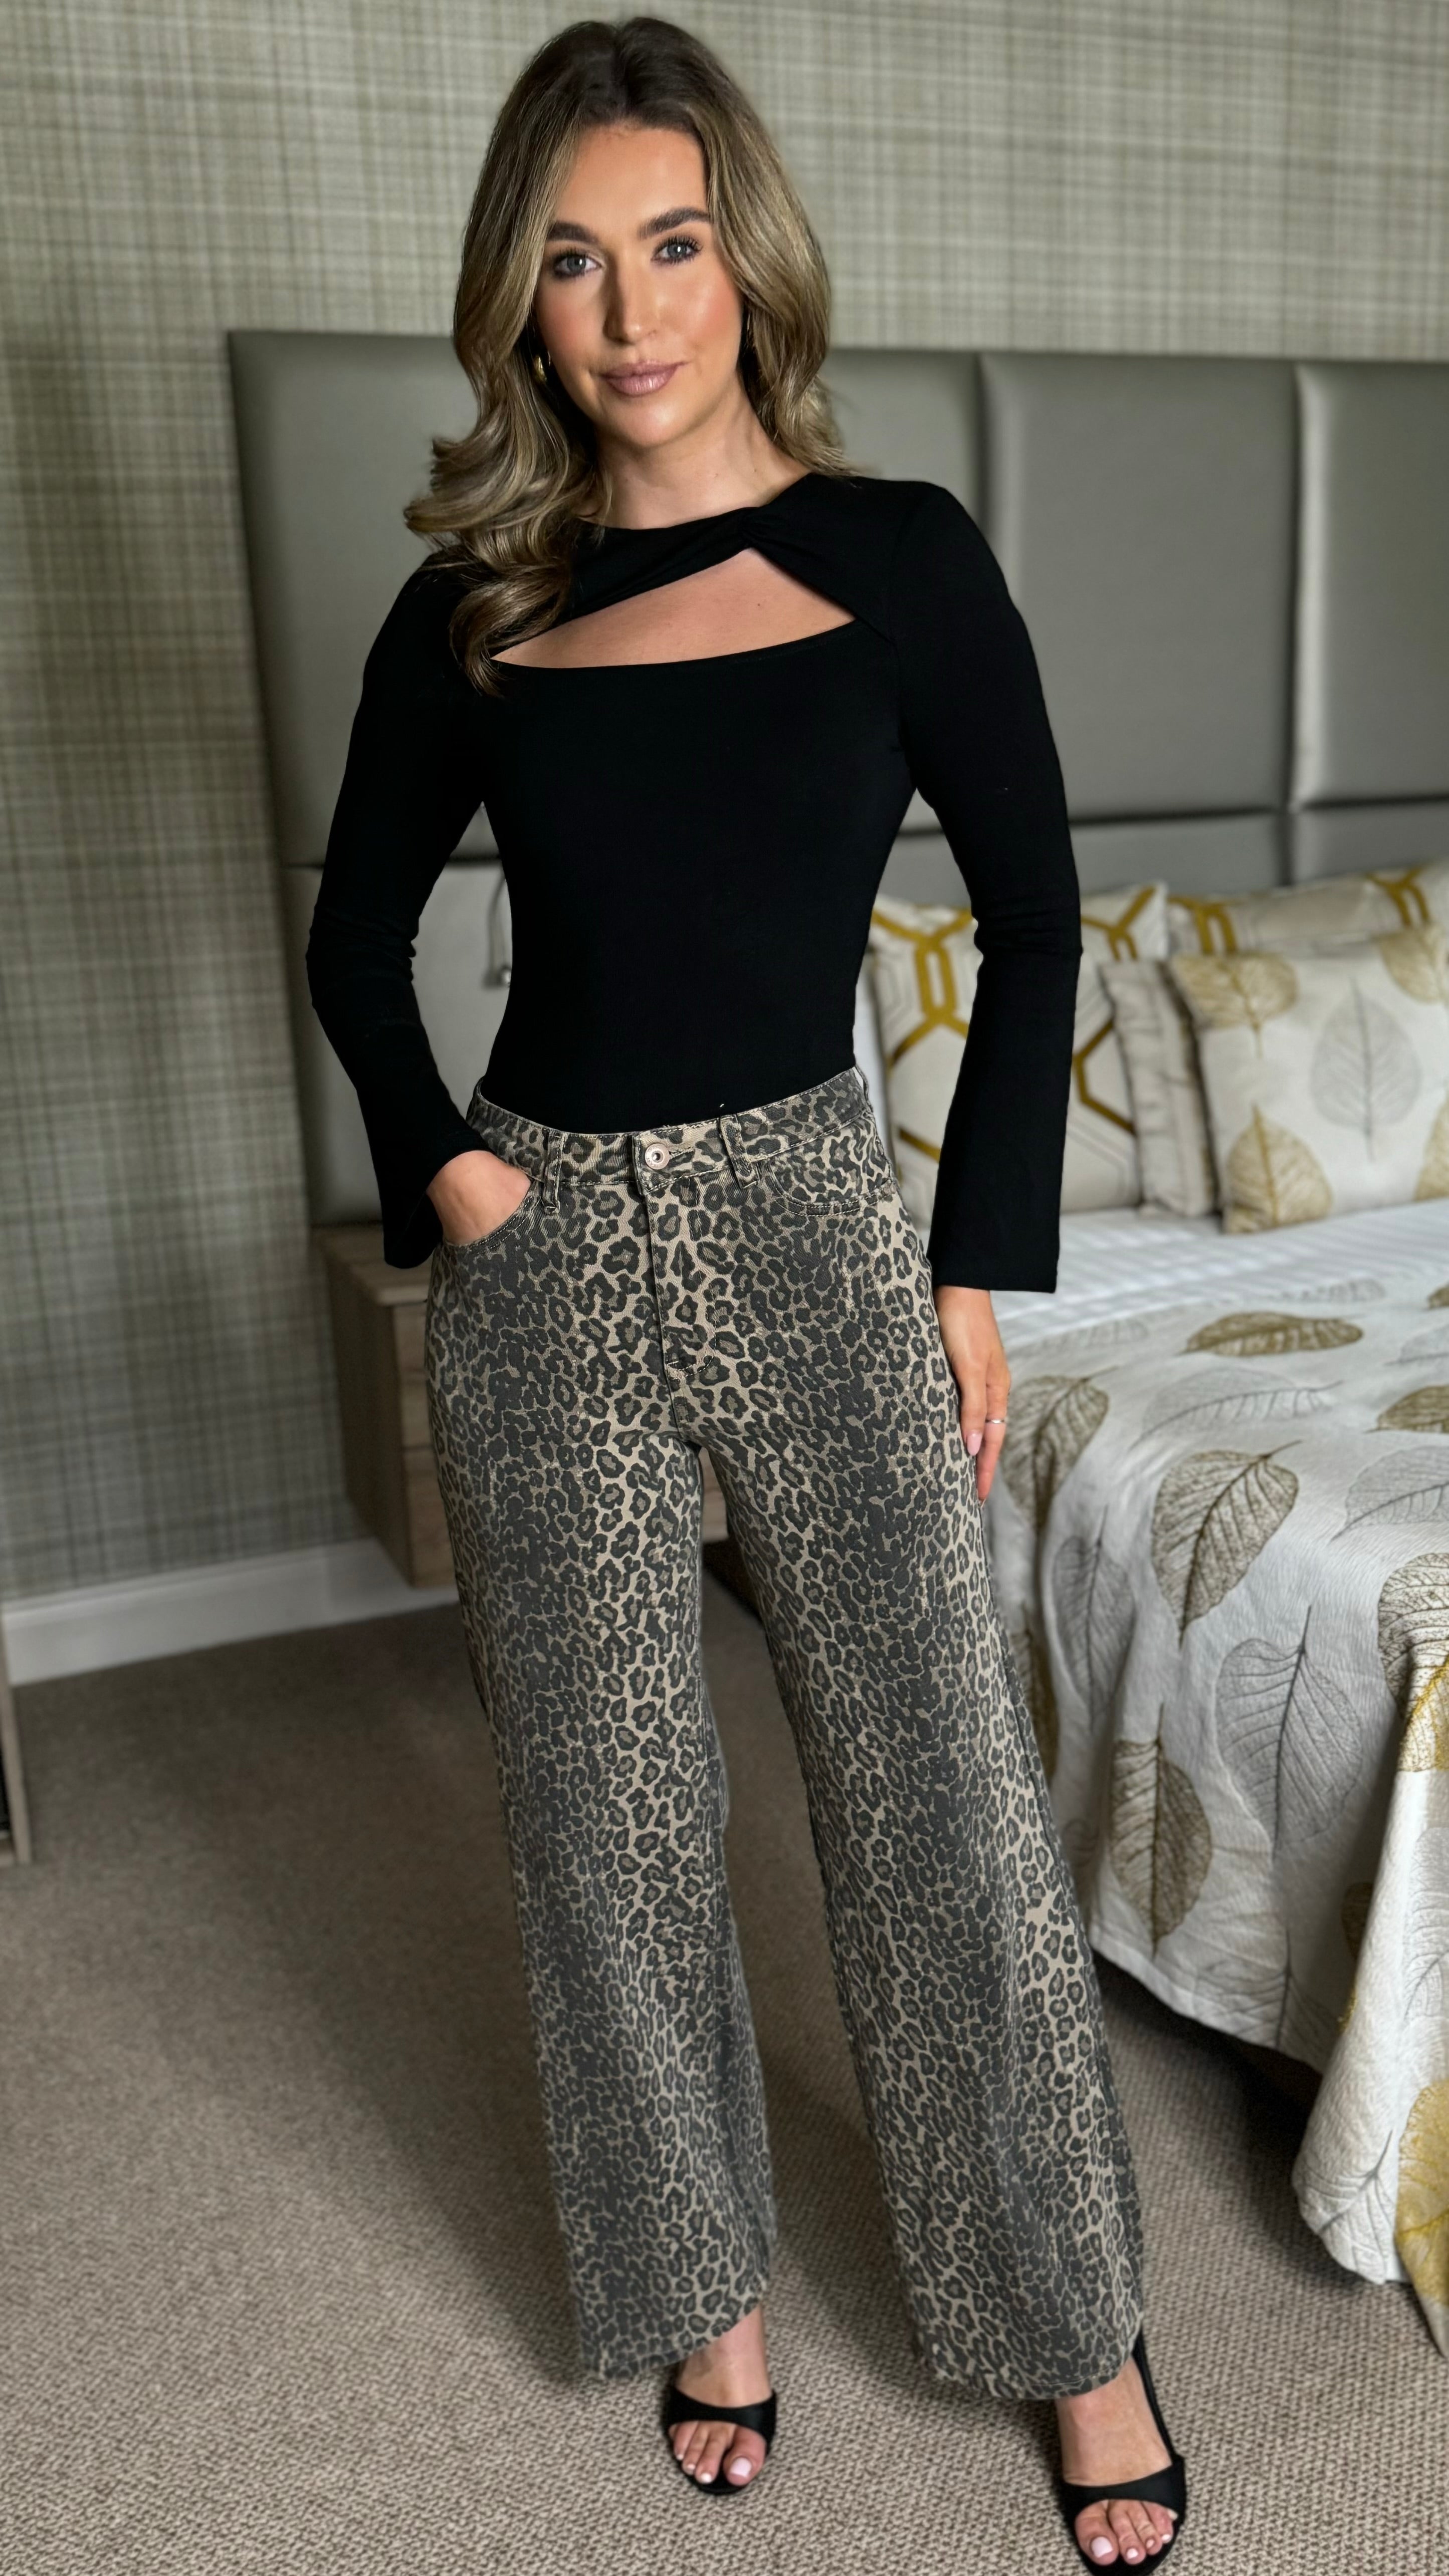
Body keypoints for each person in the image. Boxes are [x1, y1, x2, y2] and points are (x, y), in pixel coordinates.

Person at [307, 18, 1188, 2566]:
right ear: (519, 297)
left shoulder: (904, 558)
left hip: (817, 1216)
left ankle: (1072, 2324)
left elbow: (1035, 929)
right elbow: (360, 940)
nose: (632, 310)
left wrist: (973, 1266)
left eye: (672, 244)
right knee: (605, 1816)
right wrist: (458, 1184)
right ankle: (703, 2291)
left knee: (940, 1800)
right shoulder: (475, 607)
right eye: (573, 261)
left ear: (749, 256)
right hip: (545, 1248)